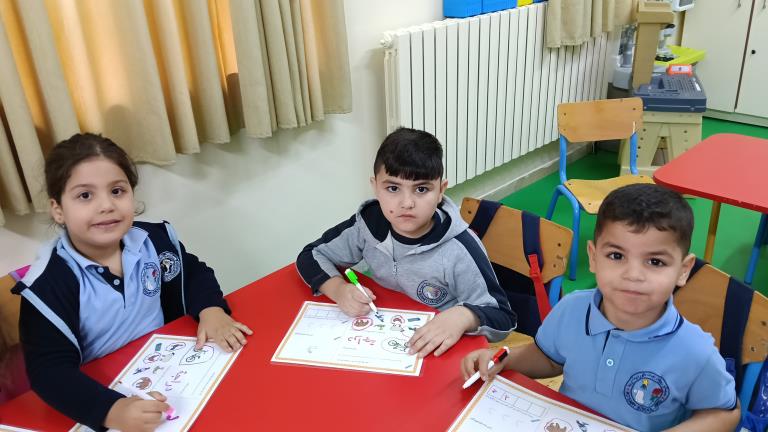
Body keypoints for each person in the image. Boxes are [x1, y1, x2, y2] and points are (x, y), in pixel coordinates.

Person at [14, 133, 252, 431]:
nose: (106, 205)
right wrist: (110, 410)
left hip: (173, 369)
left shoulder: (154, 241)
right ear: (58, 209)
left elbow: (193, 274)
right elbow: (49, 372)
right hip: (102, 392)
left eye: (117, 191)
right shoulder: (47, 286)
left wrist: (210, 309)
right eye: (85, 196)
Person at [461, 184, 739, 432]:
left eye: (655, 262)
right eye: (616, 255)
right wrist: (504, 359)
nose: (633, 275)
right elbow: (548, 358)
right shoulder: (571, 309)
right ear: (594, 258)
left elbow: (724, 413)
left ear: (683, 270)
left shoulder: (695, 350)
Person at [296, 127, 515, 358]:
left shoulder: (460, 248)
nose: (407, 203)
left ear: (440, 191)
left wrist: (464, 316)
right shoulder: (368, 224)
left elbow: (503, 318)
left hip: (438, 350)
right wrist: (338, 289)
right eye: (393, 188)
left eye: (421, 189)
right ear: (375, 187)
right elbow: (312, 254)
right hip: (383, 337)